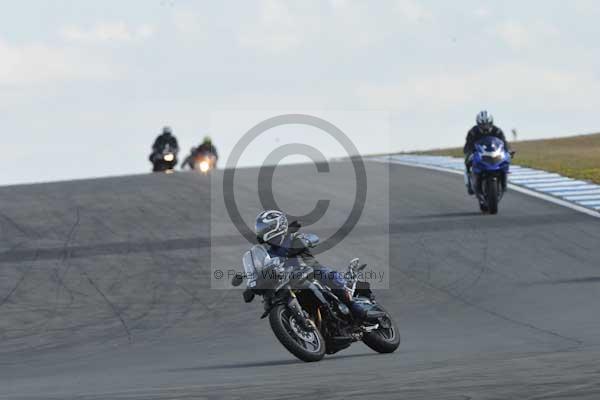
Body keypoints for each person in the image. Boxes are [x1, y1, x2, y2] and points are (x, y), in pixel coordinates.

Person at [252, 209, 384, 323]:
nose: (263, 233)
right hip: (289, 281)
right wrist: (251, 284)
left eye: (266, 229)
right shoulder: (267, 253)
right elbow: (261, 268)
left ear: (278, 226)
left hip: (311, 271)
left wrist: (303, 242)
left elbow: (313, 237)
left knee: (326, 275)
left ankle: (355, 306)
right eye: (262, 230)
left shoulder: (292, 238)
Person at [463, 111, 510, 194]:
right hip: (480, 153)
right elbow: (468, 145)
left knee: (506, 159)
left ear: (491, 122)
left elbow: (504, 143)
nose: (485, 127)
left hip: (494, 153)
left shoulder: (497, 131)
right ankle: (469, 184)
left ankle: (504, 182)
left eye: (487, 124)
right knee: (467, 162)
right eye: (482, 125)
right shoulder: (473, 132)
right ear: (478, 124)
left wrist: (507, 150)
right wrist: (469, 151)